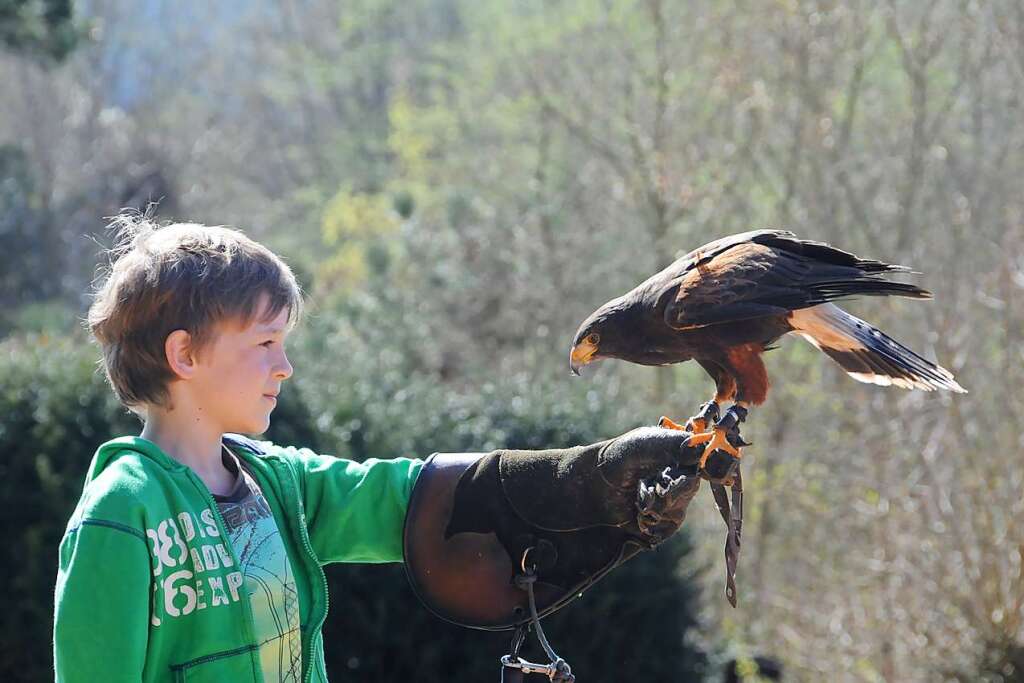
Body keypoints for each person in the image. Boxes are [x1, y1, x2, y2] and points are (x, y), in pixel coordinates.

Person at [53, 214, 709, 682]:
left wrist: (591, 479)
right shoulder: (122, 513)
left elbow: (412, 500)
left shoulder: (279, 485)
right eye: (263, 343)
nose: (284, 367)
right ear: (184, 353)